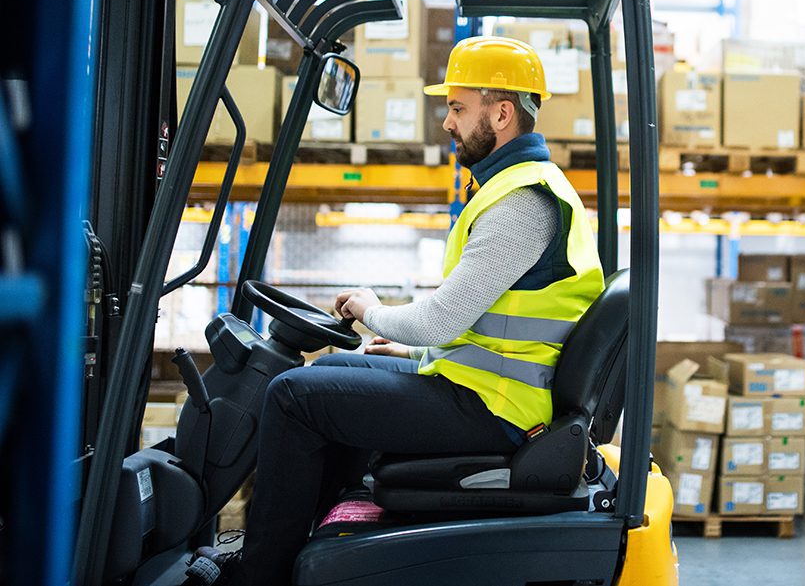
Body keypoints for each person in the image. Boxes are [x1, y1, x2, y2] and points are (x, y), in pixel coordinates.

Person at [187, 36, 604, 586]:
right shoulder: (513, 189)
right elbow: (489, 324)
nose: (448, 122)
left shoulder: (523, 202)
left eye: (458, 108)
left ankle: (262, 573)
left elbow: (442, 318)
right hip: (488, 390)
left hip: (497, 410)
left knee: (290, 397)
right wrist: (411, 349)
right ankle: (310, 545)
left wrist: (372, 311)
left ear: (501, 113)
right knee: (331, 372)